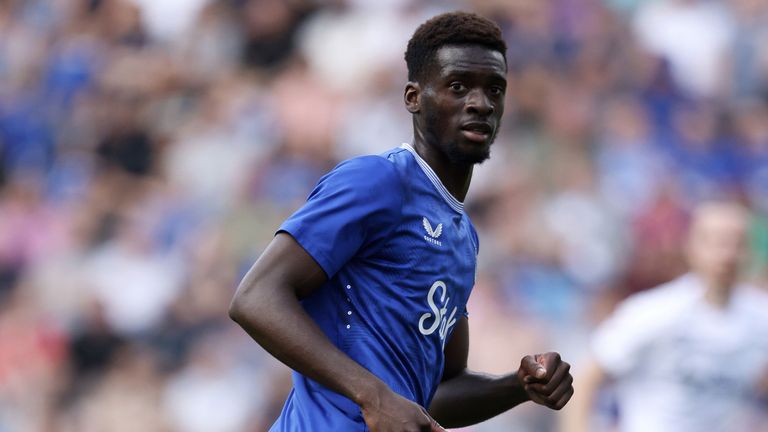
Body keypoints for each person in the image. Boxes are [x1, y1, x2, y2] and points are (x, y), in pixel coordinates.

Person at [229, 11, 574, 432]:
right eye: (458, 86)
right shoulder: (378, 181)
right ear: (414, 97)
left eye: (494, 89)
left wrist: (518, 385)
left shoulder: (464, 237)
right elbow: (256, 297)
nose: (481, 103)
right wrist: (372, 395)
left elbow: (433, 395)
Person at [562, 201, 768, 432]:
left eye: (737, 243)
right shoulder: (654, 312)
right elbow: (586, 376)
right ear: (691, 246)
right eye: (717, 242)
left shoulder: (760, 317)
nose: (727, 254)